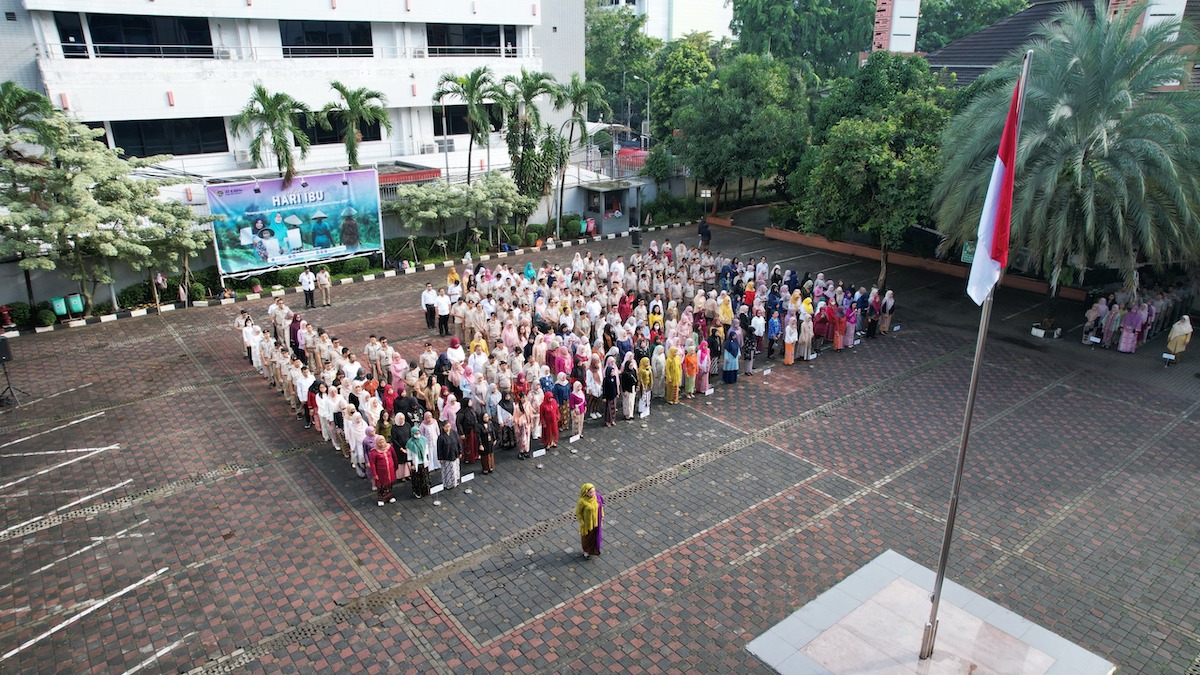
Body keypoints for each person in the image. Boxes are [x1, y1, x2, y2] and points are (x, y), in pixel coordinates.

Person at [575, 483, 604, 559]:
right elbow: (578, 512)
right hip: (587, 524)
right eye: (591, 492)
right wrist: (582, 522)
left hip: (596, 522)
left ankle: (594, 550)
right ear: (586, 493)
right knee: (586, 538)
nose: (593, 493)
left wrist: (601, 519)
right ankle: (586, 551)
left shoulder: (597, 497)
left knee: (594, 536)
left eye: (594, 491)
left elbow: (600, 508)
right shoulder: (582, 501)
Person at [368, 436, 397, 507]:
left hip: (390, 470)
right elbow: (372, 464)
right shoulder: (374, 452)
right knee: (381, 485)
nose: (382, 444)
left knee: (389, 484)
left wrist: (396, 466)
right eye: (380, 443)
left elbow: (394, 457)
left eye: (383, 442)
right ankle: (381, 499)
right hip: (380, 472)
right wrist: (374, 474)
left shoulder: (390, 447)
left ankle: (390, 496)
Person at [437, 419, 462, 490]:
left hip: (455, 454)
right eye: (446, 427)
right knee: (448, 471)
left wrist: (460, 451)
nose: (447, 428)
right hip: (447, 456)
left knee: (455, 469)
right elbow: (439, 449)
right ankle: (448, 484)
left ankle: (455, 482)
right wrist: (441, 458)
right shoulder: (441, 437)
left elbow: (458, 442)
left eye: (449, 426)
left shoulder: (454, 433)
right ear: (443, 427)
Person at [407, 428, 430, 498]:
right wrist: (411, 465)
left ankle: (425, 491)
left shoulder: (423, 440)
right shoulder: (410, 443)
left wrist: (427, 459)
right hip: (415, 464)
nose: (417, 435)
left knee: (425, 478)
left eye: (418, 433)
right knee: (417, 479)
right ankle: (417, 492)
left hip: (423, 462)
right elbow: (409, 455)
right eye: (416, 433)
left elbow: (426, 451)